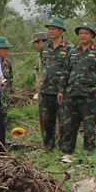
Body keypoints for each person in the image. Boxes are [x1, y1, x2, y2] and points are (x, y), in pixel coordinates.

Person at [60, 23, 96, 154]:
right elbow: (65, 72)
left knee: (89, 127)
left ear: (92, 35)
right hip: (71, 94)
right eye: (81, 33)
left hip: (89, 95)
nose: (83, 36)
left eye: (86, 33)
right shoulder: (72, 51)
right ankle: (67, 152)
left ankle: (88, 153)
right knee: (69, 125)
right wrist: (61, 91)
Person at [39, 17, 72, 152]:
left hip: (61, 91)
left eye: (53, 29)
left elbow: (71, 69)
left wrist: (64, 89)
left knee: (63, 121)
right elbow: (43, 65)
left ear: (60, 31)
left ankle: (63, 148)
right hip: (46, 89)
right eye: (49, 29)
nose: (50, 31)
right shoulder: (45, 46)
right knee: (47, 121)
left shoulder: (69, 48)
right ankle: (48, 147)